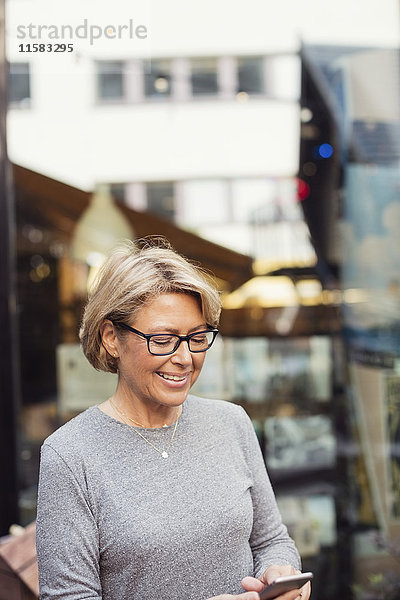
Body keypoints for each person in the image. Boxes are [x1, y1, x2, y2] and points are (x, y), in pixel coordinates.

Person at [36, 238, 311, 600]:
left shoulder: (231, 423)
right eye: (163, 339)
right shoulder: (70, 456)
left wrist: (279, 574)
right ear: (111, 338)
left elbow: (272, 541)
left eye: (197, 337)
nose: (185, 357)